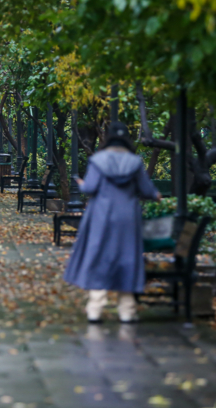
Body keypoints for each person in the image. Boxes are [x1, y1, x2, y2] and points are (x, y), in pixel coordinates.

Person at [63, 122, 161, 323]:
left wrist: (81, 185)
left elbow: (90, 188)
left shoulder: (98, 160)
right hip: (127, 218)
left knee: (100, 256)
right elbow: (147, 191)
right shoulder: (135, 162)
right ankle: (127, 311)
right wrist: (157, 195)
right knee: (127, 258)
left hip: (102, 216)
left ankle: (95, 309)